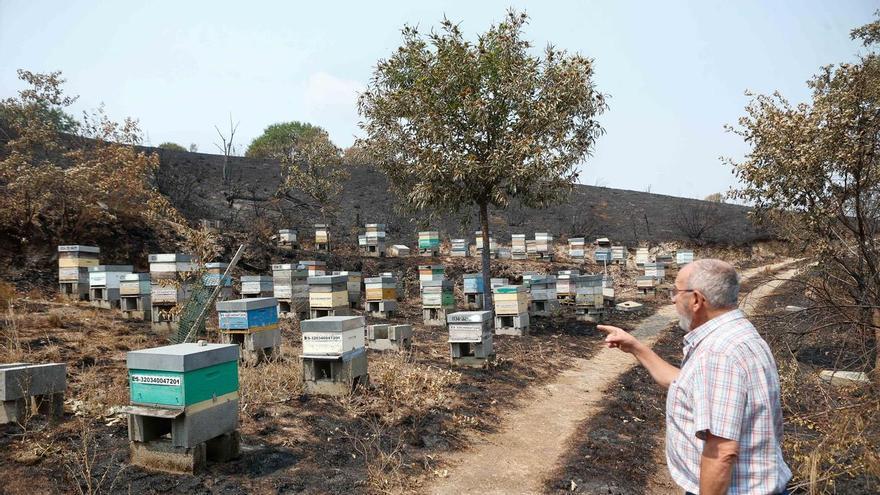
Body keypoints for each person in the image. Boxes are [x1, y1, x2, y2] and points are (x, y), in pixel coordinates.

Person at [598, 259, 791, 495]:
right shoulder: (738, 335)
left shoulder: (717, 353)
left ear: (697, 300)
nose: (672, 299)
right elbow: (685, 384)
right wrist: (636, 347)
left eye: (676, 292)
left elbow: (721, 452)